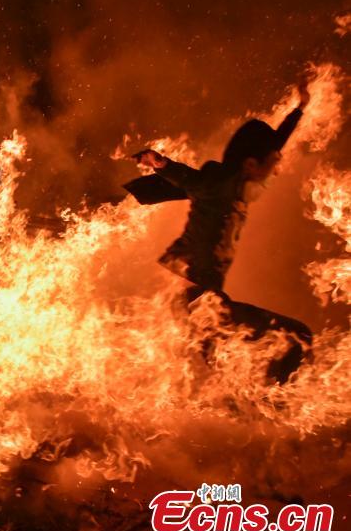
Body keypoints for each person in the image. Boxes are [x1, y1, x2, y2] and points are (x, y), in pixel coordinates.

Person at [125, 82, 312, 383]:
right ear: (251, 165)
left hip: (204, 298)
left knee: (220, 372)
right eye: (272, 164)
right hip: (196, 299)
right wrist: (161, 164)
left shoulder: (239, 185)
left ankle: (257, 407)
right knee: (297, 335)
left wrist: (299, 109)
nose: (276, 170)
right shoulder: (220, 186)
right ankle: (273, 406)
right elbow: (192, 181)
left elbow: (277, 142)